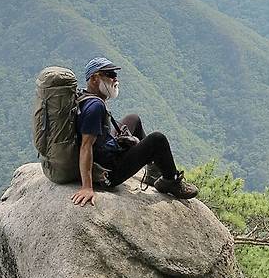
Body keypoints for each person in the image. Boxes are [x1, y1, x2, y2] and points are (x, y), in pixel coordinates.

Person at [71, 56, 199, 206]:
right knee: (157, 139)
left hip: (103, 155)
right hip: (107, 173)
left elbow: (93, 142)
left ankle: (153, 172)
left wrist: (117, 142)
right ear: (94, 79)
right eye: (110, 75)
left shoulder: (84, 96)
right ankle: (171, 181)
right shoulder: (95, 107)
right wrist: (87, 187)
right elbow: (86, 146)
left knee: (133, 119)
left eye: (115, 75)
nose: (115, 79)